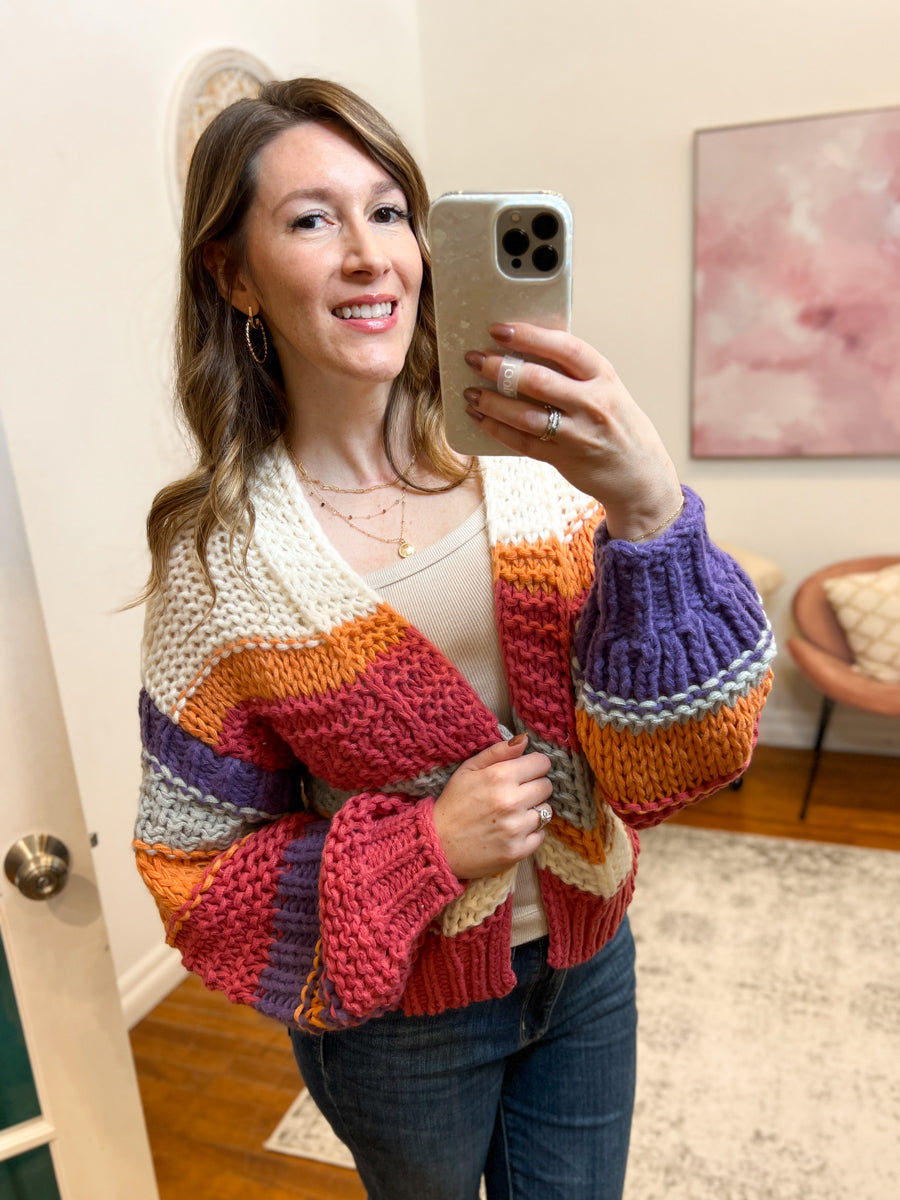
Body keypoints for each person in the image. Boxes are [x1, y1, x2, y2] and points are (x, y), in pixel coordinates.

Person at [134, 77, 775, 1200]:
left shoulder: (538, 474)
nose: (369, 255)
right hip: (400, 1025)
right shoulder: (220, 560)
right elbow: (196, 872)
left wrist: (649, 509)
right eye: (312, 220)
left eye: (389, 212)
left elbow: (685, 761)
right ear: (234, 275)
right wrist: (425, 844)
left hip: (588, 967)